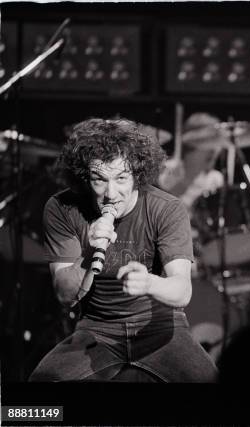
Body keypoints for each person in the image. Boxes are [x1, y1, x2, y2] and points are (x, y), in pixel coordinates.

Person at [29, 118, 217, 382]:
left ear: (137, 175)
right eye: (99, 179)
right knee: (33, 401)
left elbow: (182, 291)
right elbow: (64, 294)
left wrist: (149, 282)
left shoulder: (166, 208)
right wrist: (88, 252)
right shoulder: (62, 208)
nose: (111, 193)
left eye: (121, 178)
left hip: (161, 329)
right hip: (97, 328)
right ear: (84, 177)